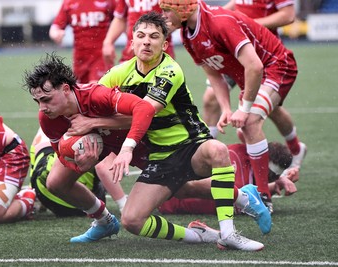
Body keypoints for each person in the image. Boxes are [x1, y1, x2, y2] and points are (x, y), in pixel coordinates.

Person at [70, 12, 268, 251]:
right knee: (132, 220)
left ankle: (229, 233)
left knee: (218, 150)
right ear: (131, 43)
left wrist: (93, 125)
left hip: (192, 145)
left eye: (154, 37)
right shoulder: (120, 72)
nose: (146, 41)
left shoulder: (169, 70)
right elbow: (92, 98)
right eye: (140, 36)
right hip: (161, 156)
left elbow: (146, 111)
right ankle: (201, 234)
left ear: (164, 45)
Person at [159, 0, 305, 212]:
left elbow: (255, 65)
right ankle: (266, 177)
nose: (163, 16)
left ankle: (263, 196)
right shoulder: (187, 35)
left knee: (250, 120)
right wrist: (226, 108)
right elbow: (214, 75)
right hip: (249, 73)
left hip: (275, 65)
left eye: (166, 10)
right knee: (245, 128)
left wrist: (244, 109)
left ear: (182, 8)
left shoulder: (220, 22)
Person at [22, 52, 156, 243]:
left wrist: (94, 124)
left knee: (184, 189)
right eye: (38, 101)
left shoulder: (96, 95)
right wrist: (81, 165)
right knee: (55, 182)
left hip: (135, 141)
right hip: (103, 145)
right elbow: (61, 155)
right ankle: (104, 221)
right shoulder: (47, 119)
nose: (42, 107)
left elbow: (145, 110)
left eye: (47, 99)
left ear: (66, 89)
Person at [202, 0, 306, 176]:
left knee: (266, 111)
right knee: (210, 98)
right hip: (232, 49)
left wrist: (245, 23)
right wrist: (213, 17)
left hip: (262, 52)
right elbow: (237, 5)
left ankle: (295, 148)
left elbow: (288, 15)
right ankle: (207, 155)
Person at [159, 142, 299, 215]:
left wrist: (275, 184)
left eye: (276, 176)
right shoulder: (235, 163)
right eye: (271, 175)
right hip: (166, 201)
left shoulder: (247, 159)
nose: (270, 179)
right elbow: (241, 199)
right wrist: (274, 186)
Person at [29, 127, 127, 216]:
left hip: (42, 191)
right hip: (82, 201)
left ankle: (30, 197)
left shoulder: (49, 123)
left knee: (44, 145)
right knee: (113, 160)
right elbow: (103, 168)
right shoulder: (94, 123)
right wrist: (123, 205)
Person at [49, 0, 115, 83]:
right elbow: (56, 26)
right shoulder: (69, 3)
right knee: (81, 91)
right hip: (80, 58)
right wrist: (56, 33)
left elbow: (121, 19)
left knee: (96, 89)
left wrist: (110, 42)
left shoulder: (108, 2)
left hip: (100, 55)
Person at [102, 0, 175, 65]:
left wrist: (144, 41)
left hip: (159, 55)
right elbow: (120, 18)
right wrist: (108, 42)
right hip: (131, 53)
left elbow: (175, 20)